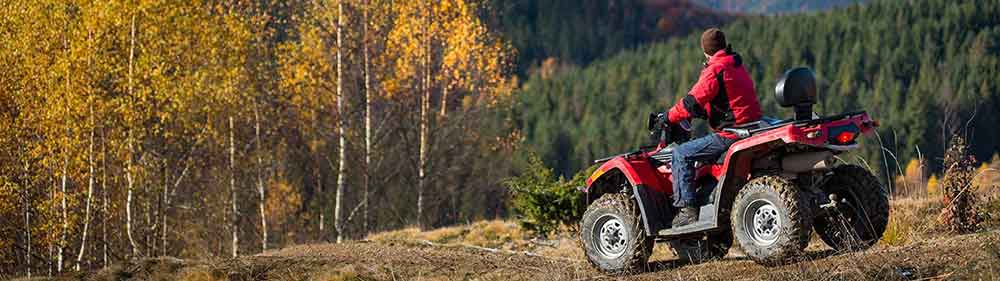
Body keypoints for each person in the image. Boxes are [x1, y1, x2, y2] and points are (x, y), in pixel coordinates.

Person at [666, 28, 762, 227]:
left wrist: (668, 116)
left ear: (705, 51)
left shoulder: (716, 69)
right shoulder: (735, 63)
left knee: (681, 154)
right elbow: (727, 99)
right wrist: (705, 112)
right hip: (752, 126)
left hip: (731, 134)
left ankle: (687, 210)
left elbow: (691, 102)